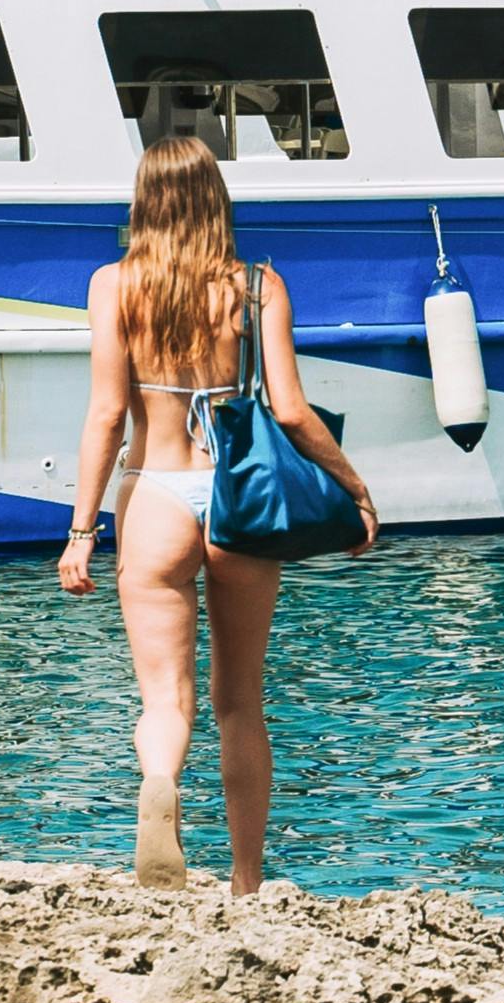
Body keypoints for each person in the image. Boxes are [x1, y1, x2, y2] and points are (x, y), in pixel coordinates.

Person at [56, 133, 373, 897]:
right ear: (214, 197)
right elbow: (291, 411)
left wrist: (79, 531)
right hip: (238, 499)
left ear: (144, 200)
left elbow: (105, 413)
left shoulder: (113, 285)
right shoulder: (255, 285)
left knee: (164, 700)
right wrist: (353, 490)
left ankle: (160, 779)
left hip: (154, 491)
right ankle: (245, 880)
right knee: (239, 701)